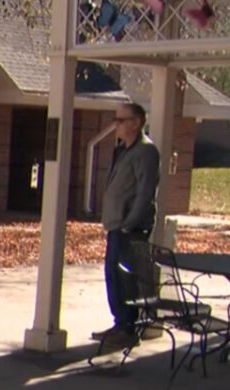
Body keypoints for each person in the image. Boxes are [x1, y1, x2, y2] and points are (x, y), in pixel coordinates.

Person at [91, 102, 160, 347]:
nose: (116, 124)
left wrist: (130, 223)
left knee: (126, 277)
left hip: (130, 227)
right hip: (116, 225)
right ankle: (119, 324)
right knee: (112, 275)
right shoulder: (123, 150)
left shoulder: (146, 151)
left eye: (121, 120)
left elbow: (145, 192)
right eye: (116, 119)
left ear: (136, 123)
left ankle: (128, 328)